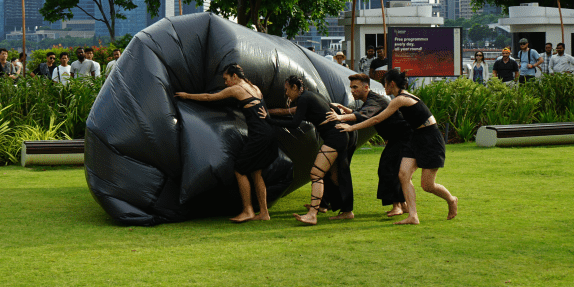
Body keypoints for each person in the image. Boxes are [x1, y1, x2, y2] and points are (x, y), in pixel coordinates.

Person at [338, 69, 457, 225]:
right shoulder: (398, 98)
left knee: (427, 185)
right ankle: (413, 215)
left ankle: (451, 199)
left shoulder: (400, 99)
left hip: (430, 139)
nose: (383, 87)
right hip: (415, 137)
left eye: (384, 84)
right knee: (403, 174)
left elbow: (377, 119)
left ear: (391, 84)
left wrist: (351, 128)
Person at [175, 64, 278, 223]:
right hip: (269, 132)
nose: (225, 83)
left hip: (259, 135)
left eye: (226, 79)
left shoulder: (237, 89)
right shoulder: (255, 87)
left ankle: (248, 210)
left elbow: (210, 98)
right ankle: (264, 213)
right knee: (256, 172)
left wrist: (187, 96)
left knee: (239, 169)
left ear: (235, 76)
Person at [267, 75, 351, 225]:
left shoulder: (304, 98)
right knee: (335, 177)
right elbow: (294, 116)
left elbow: (294, 123)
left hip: (335, 138)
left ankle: (313, 214)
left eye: (287, 90)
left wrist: (268, 120)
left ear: (294, 88)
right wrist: (271, 115)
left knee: (316, 174)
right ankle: (345, 211)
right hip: (338, 136)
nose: (286, 93)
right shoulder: (310, 95)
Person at [327, 73, 409, 218]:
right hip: (398, 139)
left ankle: (397, 206)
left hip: (403, 138)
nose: (352, 90)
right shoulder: (370, 100)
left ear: (366, 87)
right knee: (391, 169)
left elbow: (363, 116)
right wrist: (346, 110)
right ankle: (403, 205)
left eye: (355, 87)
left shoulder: (375, 100)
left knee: (388, 169)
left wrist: (340, 117)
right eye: (351, 87)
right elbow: (361, 112)